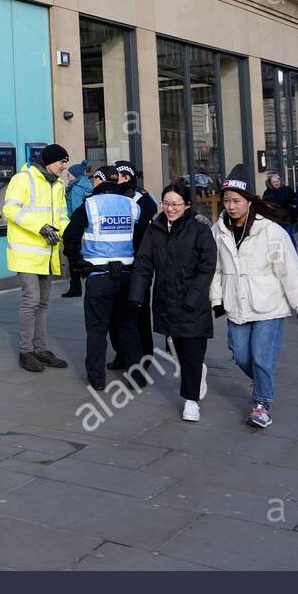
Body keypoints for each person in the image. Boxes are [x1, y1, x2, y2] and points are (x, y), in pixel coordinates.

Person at [210, 164, 298, 429]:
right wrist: (217, 299)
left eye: (236, 201)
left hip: (269, 305)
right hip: (236, 304)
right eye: (227, 201)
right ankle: (262, 381)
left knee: (261, 356)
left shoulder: (270, 231)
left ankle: (261, 404)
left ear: (249, 200)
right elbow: (216, 269)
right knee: (240, 354)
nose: (231, 206)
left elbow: (289, 269)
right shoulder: (218, 231)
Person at [129, 182, 217, 421]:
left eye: (176, 204)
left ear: (187, 205)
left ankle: (191, 401)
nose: (170, 209)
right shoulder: (155, 228)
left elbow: (207, 267)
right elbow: (144, 262)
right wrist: (136, 295)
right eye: (166, 204)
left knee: (191, 349)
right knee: (174, 347)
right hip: (165, 300)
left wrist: (193, 298)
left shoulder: (199, 229)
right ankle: (198, 371)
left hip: (192, 303)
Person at [63, 165, 146, 392]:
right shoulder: (132, 205)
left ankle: (97, 379)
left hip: (99, 276)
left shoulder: (89, 205)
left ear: (99, 182)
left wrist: (77, 261)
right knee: (128, 328)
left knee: (97, 329)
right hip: (128, 276)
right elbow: (141, 238)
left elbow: (69, 236)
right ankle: (137, 377)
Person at [2, 144, 71, 373]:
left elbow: (61, 216)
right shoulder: (23, 179)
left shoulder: (58, 184)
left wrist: (71, 236)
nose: (64, 167)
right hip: (25, 252)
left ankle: (41, 349)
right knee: (31, 300)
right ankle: (25, 351)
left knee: (42, 303)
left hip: (47, 252)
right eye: (62, 162)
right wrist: (40, 227)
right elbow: (10, 210)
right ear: (50, 161)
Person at [116, 160, 158, 363]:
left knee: (138, 311)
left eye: (118, 176)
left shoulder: (143, 199)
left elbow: (144, 220)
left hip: (139, 263)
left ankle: (145, 354)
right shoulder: (112, 196)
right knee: (117, 312)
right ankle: (122, 354)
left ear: (126, 177)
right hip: (117, 263)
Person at [61, 162, 93, 298]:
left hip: (74, 228)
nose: (67, 177)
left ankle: (75, 287)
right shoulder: (86, 186)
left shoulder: (75, 189)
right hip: (85, 228)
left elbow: (76, 211)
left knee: (73, 257)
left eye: (69, 174)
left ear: (74, 175)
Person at [263, 173, 298, 244]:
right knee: (278, 238)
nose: (276, 183)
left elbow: (295, 200)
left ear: (280, 181)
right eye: (274, 182)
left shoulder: (287, 189)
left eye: (277, 181)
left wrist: (295, 209)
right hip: (275, 219)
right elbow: (265, 206)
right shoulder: (267, 193)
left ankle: (293, 253)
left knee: (289, 236)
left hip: (287, 218)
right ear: (270, 183)